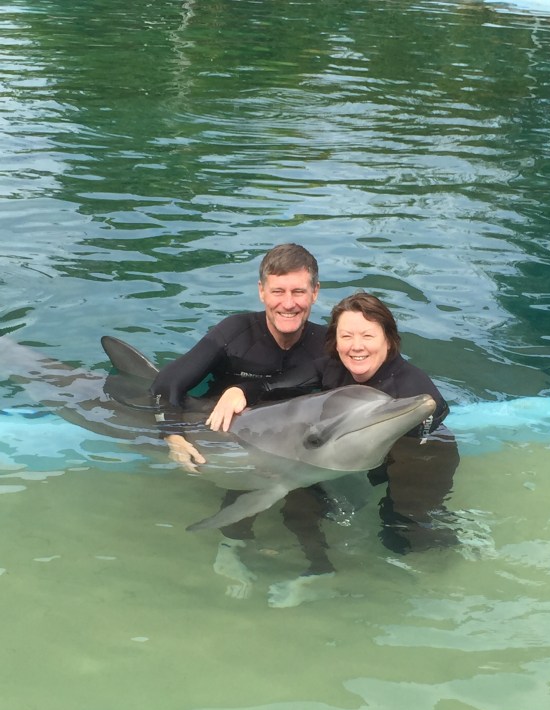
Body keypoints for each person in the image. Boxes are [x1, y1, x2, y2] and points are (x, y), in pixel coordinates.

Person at [208, 292, 460, 559]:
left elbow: (425, 435)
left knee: (403, 532)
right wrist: (240, 390)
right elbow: (274, 385)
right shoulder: (333, 367)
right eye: (347, 336)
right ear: (336, 342)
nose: (356, 346)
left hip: (419, 453)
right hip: (352, 451)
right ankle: (313, 565)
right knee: (298, 506)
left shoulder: (411, 386)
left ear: (388, 339)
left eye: (368, 335)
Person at [150, 242, 330, 598]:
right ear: (261, 291)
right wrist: (172, 435)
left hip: (296, 437)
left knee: (308, 499)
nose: (288, 303)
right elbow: (166, 384)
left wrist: (248, 388)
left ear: (315, 293)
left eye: (298, 291)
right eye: (278, 291)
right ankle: (231, 548)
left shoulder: (326, 344)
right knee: (247, 478)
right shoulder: (235, 333)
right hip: (230, 434)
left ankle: (318, 568)